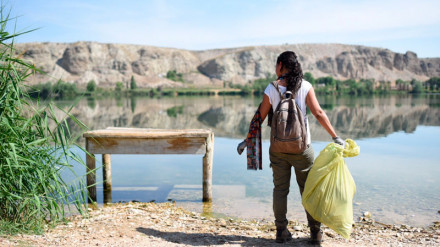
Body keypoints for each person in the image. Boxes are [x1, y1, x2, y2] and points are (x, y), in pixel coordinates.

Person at [238, 51, 344, 244]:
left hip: (278, 149)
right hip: (302, 149)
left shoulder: (272, 88)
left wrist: (247, 141)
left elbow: (258, 118)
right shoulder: (305, 86)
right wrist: (335, 136)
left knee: (280, 190)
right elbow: (319, 113)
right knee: (309, 190)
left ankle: (281, 232)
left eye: (276, 65)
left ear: (280, 66)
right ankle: (315, 233)